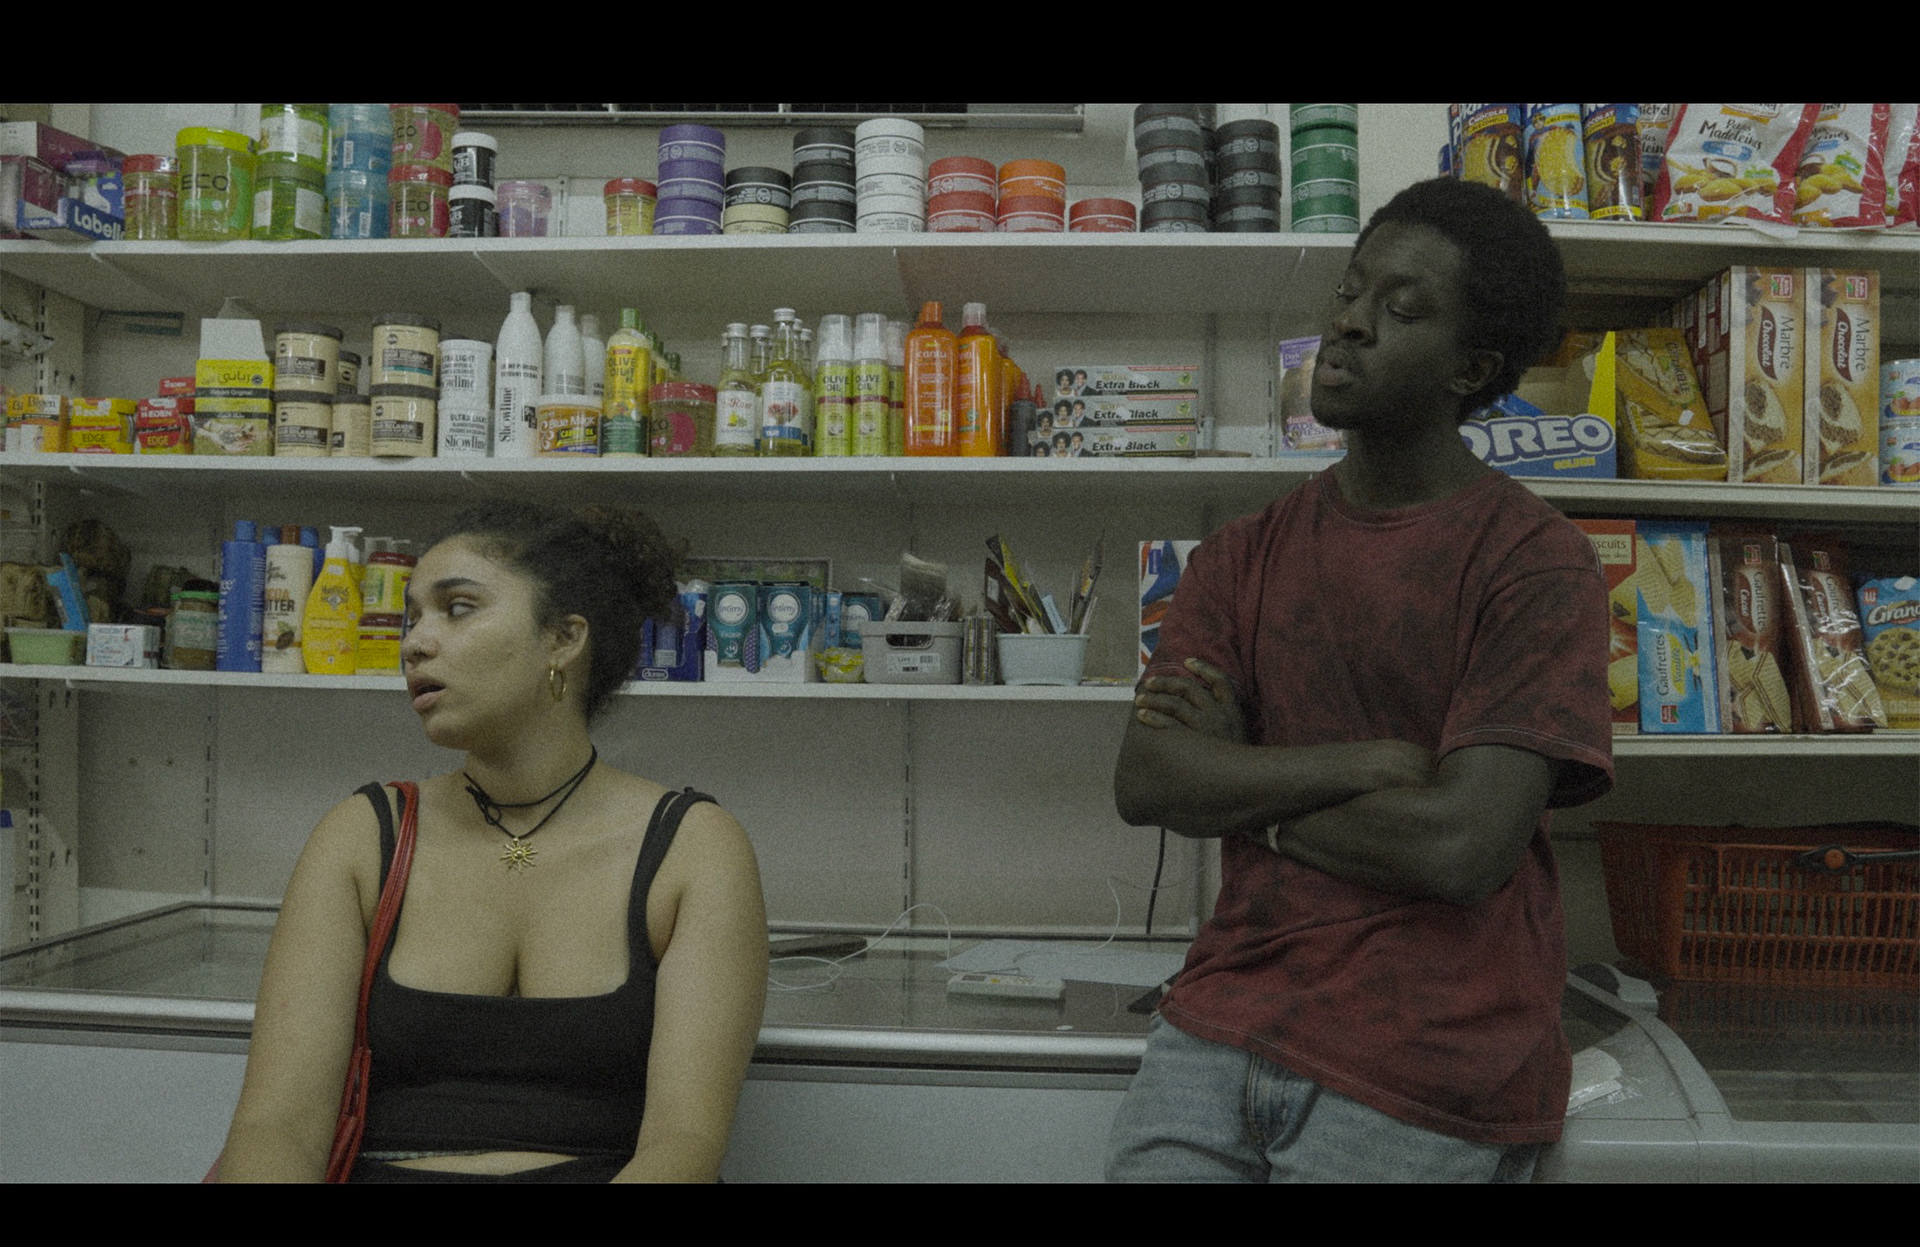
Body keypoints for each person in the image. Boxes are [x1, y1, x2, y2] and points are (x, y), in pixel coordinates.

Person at [1106, 177, 1613, 1183]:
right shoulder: (1241, 554)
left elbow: (1459, 846)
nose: (1349, 322)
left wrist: (1247, 785)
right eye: (1351, 289)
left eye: (1402, 308)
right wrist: (1369, 763)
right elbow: (1149, 779)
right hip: (1219, 1023)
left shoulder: (1537, 564)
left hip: (1421, 1055)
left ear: (1472, 368)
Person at [216, 501, 768, 1183]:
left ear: (563, 639)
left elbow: (683, 1145)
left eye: (458, 608)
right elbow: (276, 1128)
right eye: (414, 617)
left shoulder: (693, 847)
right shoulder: (363, 835)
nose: (415, 643)